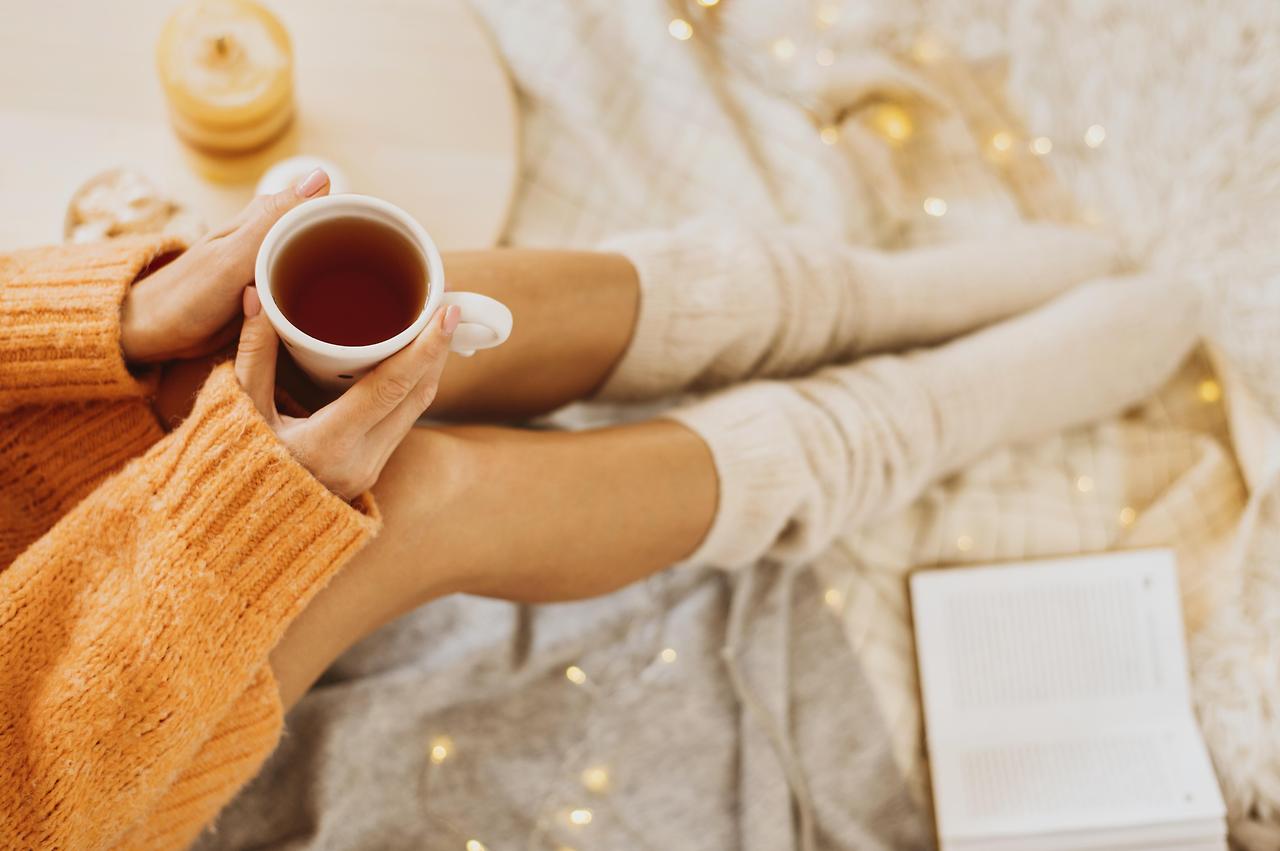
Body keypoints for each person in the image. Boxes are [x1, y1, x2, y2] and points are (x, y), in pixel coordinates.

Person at [0, 168, 1196, 849]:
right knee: (406, 496)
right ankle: (895, 426)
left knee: (370, 324)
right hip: (61, 728)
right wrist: (239, 519)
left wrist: (111, 315)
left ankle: (848, 299)